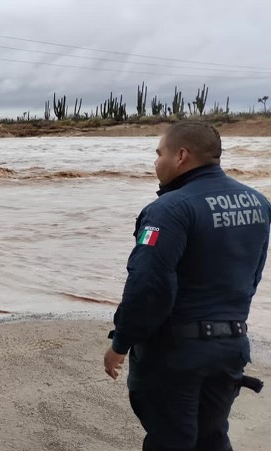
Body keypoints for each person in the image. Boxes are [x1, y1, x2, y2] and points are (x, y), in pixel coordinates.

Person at [104, 122, 270, 450]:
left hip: (177, 355)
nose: (156, 162)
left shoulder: (168, 210)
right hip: (231, 345)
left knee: (171, 440)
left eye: (159, 153)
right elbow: (252, 275)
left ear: (181, 156)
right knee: (211, 438)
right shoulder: (257, 203)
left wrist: (121, 343)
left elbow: (148, 286)